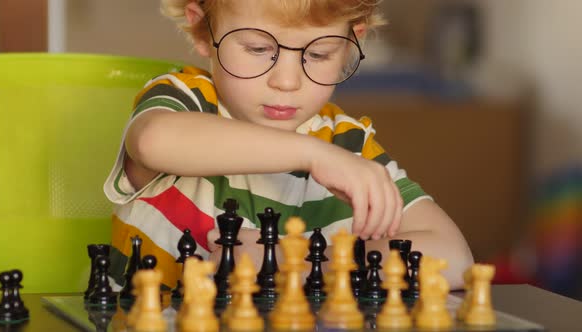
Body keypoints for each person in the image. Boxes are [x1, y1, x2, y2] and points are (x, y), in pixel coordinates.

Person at [104, 0, 473, 290]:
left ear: (350, 45)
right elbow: (152, 142)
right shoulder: (186, 98)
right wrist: (311, 154)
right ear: (204, 31)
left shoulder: (347, 142)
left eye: (318, 54)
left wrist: (289, 262)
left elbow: (453, 258)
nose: (287, 80)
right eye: (258, 48)